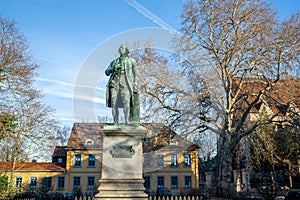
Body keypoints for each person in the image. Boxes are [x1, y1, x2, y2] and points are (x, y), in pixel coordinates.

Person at [105, 44, 140, 125]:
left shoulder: (132, 61)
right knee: (114, 103)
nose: (120, 49)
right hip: (114, 83)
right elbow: (106, 72)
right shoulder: (114, 62)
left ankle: (127, 121)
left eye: (122, 48)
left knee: (126, 102)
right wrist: (113, 68)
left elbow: (136, 74)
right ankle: (116, 122)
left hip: (125, 83)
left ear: (127, 50)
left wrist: (135, 84)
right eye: (120, 48)